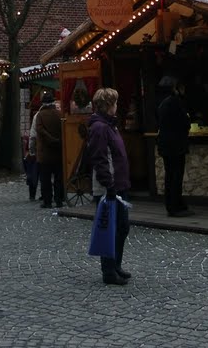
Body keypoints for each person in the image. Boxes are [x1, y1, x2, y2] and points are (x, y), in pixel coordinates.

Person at [87, 87, 131, 286]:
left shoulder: (109, 125)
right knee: (111, 229)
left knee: (122, 227)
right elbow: (100, 158)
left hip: (118, 184)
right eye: (114, 103)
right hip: (109, 187)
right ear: (108, 105)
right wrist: (109, 185)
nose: (117, 106)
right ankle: (109, 270)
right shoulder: (100, 128)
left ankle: (116, 265)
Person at [156, 75, 191, 216]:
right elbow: (184, 122)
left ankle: (172, 204)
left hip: (165, 144)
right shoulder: (174, 102)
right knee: (176, 175)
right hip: (176, 144)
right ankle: (176, 206)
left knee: (170, 175)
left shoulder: (159, 102)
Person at [35, 91, 64, 209]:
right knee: (58, 178)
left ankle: (47, 201)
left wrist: (50, 139)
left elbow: (40, 131)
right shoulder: (59, 114)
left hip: (45, 152)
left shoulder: (40, 115)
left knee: (45, 179)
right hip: (58, 151)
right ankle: (59, 200)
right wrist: (57, 141)